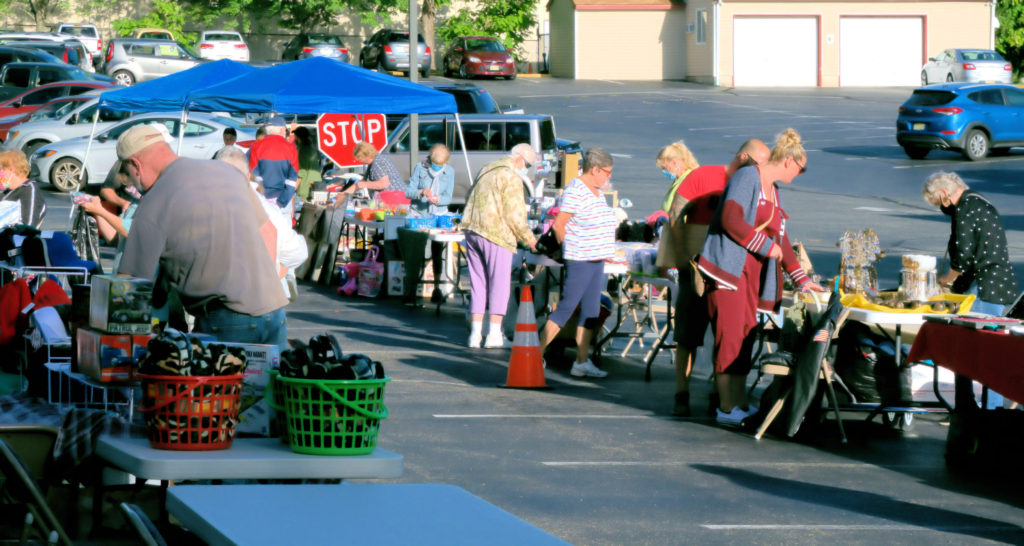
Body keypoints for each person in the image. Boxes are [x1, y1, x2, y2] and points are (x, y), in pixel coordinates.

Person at [115, 124, 289, 349]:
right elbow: (269, 232)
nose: (134, 181)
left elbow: (129, 285)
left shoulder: (153, 202)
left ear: (136, 166)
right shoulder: (227, 172)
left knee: (221, 384)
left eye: (129, 175)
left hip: (226, 317)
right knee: (270, 383)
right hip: (274, 310)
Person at [697, 129, 824, 426]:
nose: (799, 175)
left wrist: (802, 279)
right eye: (801, 169)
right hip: (729, 271)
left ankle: (739, 401)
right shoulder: (748, 177)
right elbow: (730, 219)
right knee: (729, 338)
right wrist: (764, 246)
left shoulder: (773, 190)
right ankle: (726, 407)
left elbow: (782, 239)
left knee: (745, 337)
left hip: (750, 275)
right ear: (790, 162)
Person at [667, 139, 770, 417]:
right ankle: (682, 391)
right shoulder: (703, 176)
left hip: (731, 271)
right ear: (744, 156)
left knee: (726, 335)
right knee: (688, 334)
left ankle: (719, 392)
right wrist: (680, 258)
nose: (763, 170)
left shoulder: (757, 184)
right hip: (697, 264)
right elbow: (675, 215)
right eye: (760, 163)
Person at [538, 148, 619, 378]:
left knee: (591, 310)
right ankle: (535, 355)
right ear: (595, 169)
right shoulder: (576, 190)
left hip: (595, 258)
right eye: (607, 172)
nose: (608, 177)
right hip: (581, 258)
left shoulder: (595, 191)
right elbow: (559, 224)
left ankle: (582, 361)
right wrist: (570, 248)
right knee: (566, 307)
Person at [461, 143, 538, 349]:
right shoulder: (511, 177)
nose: (527, 169)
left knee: (478, 284)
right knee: (499, 284)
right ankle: (494, 334)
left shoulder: (487, 168)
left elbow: (470, 196)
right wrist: (529, 238)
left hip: (472, 229)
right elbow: (515, 214)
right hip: (496, 234)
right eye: (528, 165)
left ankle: (475, 335)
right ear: (520, 159)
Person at [217, 146, 309, 301]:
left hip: (220, 298)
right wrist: (277, 271)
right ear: (247, 174)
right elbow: (297, 253)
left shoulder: (203, 206)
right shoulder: (266, 208)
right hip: (262, 299)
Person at [922, 171, 1018, 316]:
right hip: (995, 284)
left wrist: (946, 279)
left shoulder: (965, 208)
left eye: (939, 203)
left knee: (974, 336)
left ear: (944, 193)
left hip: (983, 287)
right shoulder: (978, 201)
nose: (942, 208)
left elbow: (963, 255)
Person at [655, 141, 701, 274]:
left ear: (675, 163)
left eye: (664, 168)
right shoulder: (678, 179)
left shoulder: (690, 179)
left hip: (681, 237)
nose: (664, 172)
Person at [248, 116, 300, 215]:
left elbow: (254, 176)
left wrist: (262, 198)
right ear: (281, 130)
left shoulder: (256, 146)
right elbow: (292, 180)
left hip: (263, 201)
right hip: (282, 201)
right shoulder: (291, 148)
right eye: (285, 130)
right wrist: (281, 202)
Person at [405, 143, 454, 217]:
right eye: (434, 164)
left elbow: (448, 197)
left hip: (440, 214)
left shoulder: (450, 171)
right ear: (430, 159)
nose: (437, 167)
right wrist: (421, 192)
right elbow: (408, 192)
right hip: (418, 214)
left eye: (440, 165)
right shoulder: (420, 168)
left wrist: (438, 199)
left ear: (445, 162)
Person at [0, 150, 45, 229]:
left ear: (11, 169)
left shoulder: (29, 190)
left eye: (1, 169)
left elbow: (28, 226)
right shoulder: (9, 191)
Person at [292, 126, 322, 202]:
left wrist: (291, 190)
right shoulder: (312, 149)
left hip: (305, 189)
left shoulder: (302, 151)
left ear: (299, 138)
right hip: (317, 186)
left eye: (296, 137)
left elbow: (301, 173)